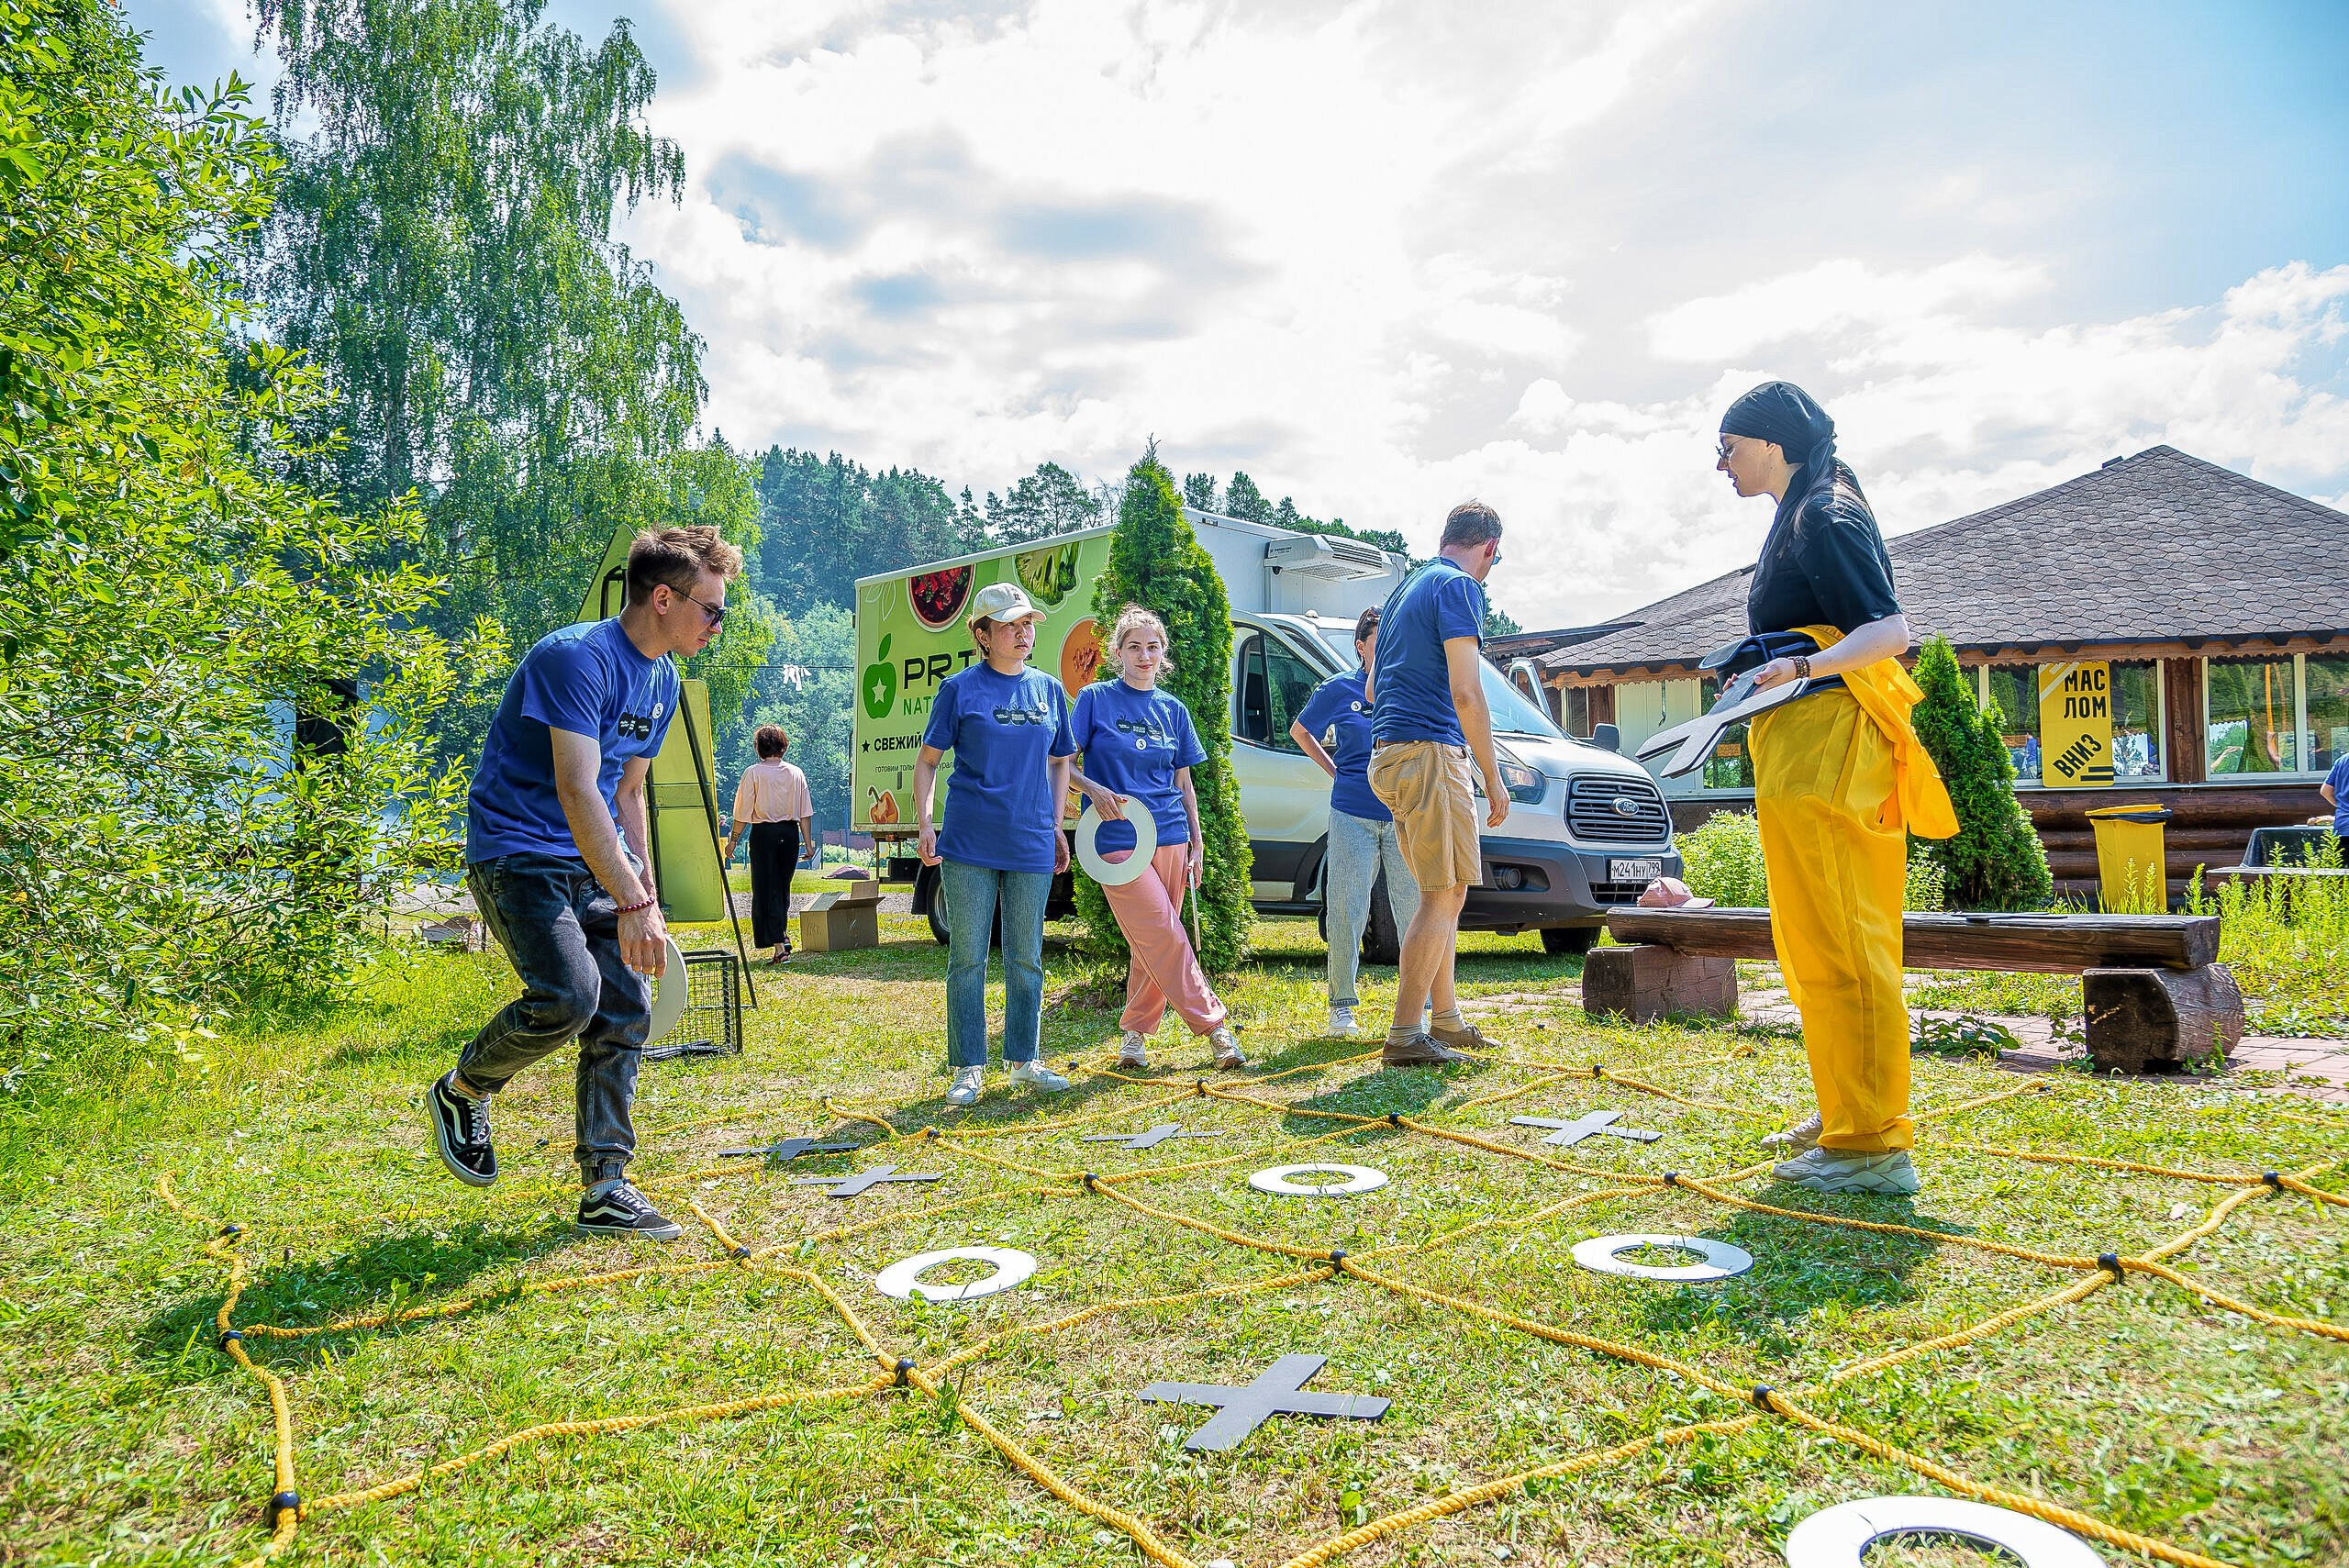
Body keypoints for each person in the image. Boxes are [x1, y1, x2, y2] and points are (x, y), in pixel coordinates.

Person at [426, 526, 740, 1240]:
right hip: (517, 852)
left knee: (625, 1003)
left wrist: (647, 899)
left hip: (590, 856)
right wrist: (628, 898)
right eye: (713, 609)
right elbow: (577, 789)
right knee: (571, 995)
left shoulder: (663, 680)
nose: (719, 624)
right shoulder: (576, 659)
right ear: (663, 597)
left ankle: (606, 1183)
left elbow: (629, 794)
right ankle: (464, 1087)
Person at [1715, 380, 1956, 1196]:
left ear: (1775, 442)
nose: (1721, 464)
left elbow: (1890, 629)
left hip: (1833, 744)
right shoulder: (1799, 507)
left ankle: (1872, 1144)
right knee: (1813, 938)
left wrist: (1803, 665)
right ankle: (1846, 1107)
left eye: (1730, 446)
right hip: (1800, 744)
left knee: (1847, 940)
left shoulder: (1825, 510)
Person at [913, 582, 1077, 1107]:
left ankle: (1025, 1061)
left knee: (1026, 957)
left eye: (1028, 623)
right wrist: (924, 823)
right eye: (1010, 625)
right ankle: (967, 1066)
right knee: (968, 957)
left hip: (1030, 841)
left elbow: (1059, 764)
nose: (1023, 632)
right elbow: (928, 763)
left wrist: (1055, 826)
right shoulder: (959, 691)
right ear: (983, 635)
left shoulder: (1049, 690)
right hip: (969, 843)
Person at [1364, 501, 1512, 1068]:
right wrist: (1493, 779)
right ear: (1489, 549)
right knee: (1442, 893)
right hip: (1431, 751)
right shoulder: (1459, 588)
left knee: (1445, 887)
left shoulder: (1406, 589)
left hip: (1390, 755)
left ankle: (1444, 1018)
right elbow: (1468, 693)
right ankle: (1406, 1033)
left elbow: (1375, 685)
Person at [1070, 606, 1244, 1072]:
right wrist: (1092, 788)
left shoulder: (1174, 709)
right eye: (1134, 646)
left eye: (1152, 646)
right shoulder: (1094, 699)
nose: (1144, 655)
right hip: (1116, 837)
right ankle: (1215, 1027)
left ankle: (1134, 1037)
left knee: (1150, 939)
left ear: (1163, 652)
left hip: (1171, 834)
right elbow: (1062, 766)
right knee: (1164, 932)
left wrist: (1199, 842)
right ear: (1118, 653)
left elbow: (1184, 784)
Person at [1290, 605, 1421, 1040]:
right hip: (1351, 814)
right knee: (1347, 910)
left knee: (1412, 910)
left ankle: (1416, 1006)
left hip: (1403, 817)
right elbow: (1300, 730)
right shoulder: (1338, 689)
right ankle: (1342, 1007)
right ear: (1361, 645)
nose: (1384, 647)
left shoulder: (1409, 689)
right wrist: (1335, 770)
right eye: (1376, 639)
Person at [723, 724, 813, 964]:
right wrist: (808, 843)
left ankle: (778, 946)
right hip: (789, 833)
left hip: (764, 835)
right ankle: (781, 934)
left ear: (760, 748)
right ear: (783, 746)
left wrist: (733, 840)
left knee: (765, 889)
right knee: (782, 888)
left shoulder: (753, 773)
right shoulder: (796, 772)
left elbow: (743, 812)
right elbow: (805, 812)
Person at [2322, 750, 2349, 858]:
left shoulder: (2342, 760)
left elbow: (2325, 791)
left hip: (2342, 828)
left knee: (2341, 873)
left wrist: (2342, 807)